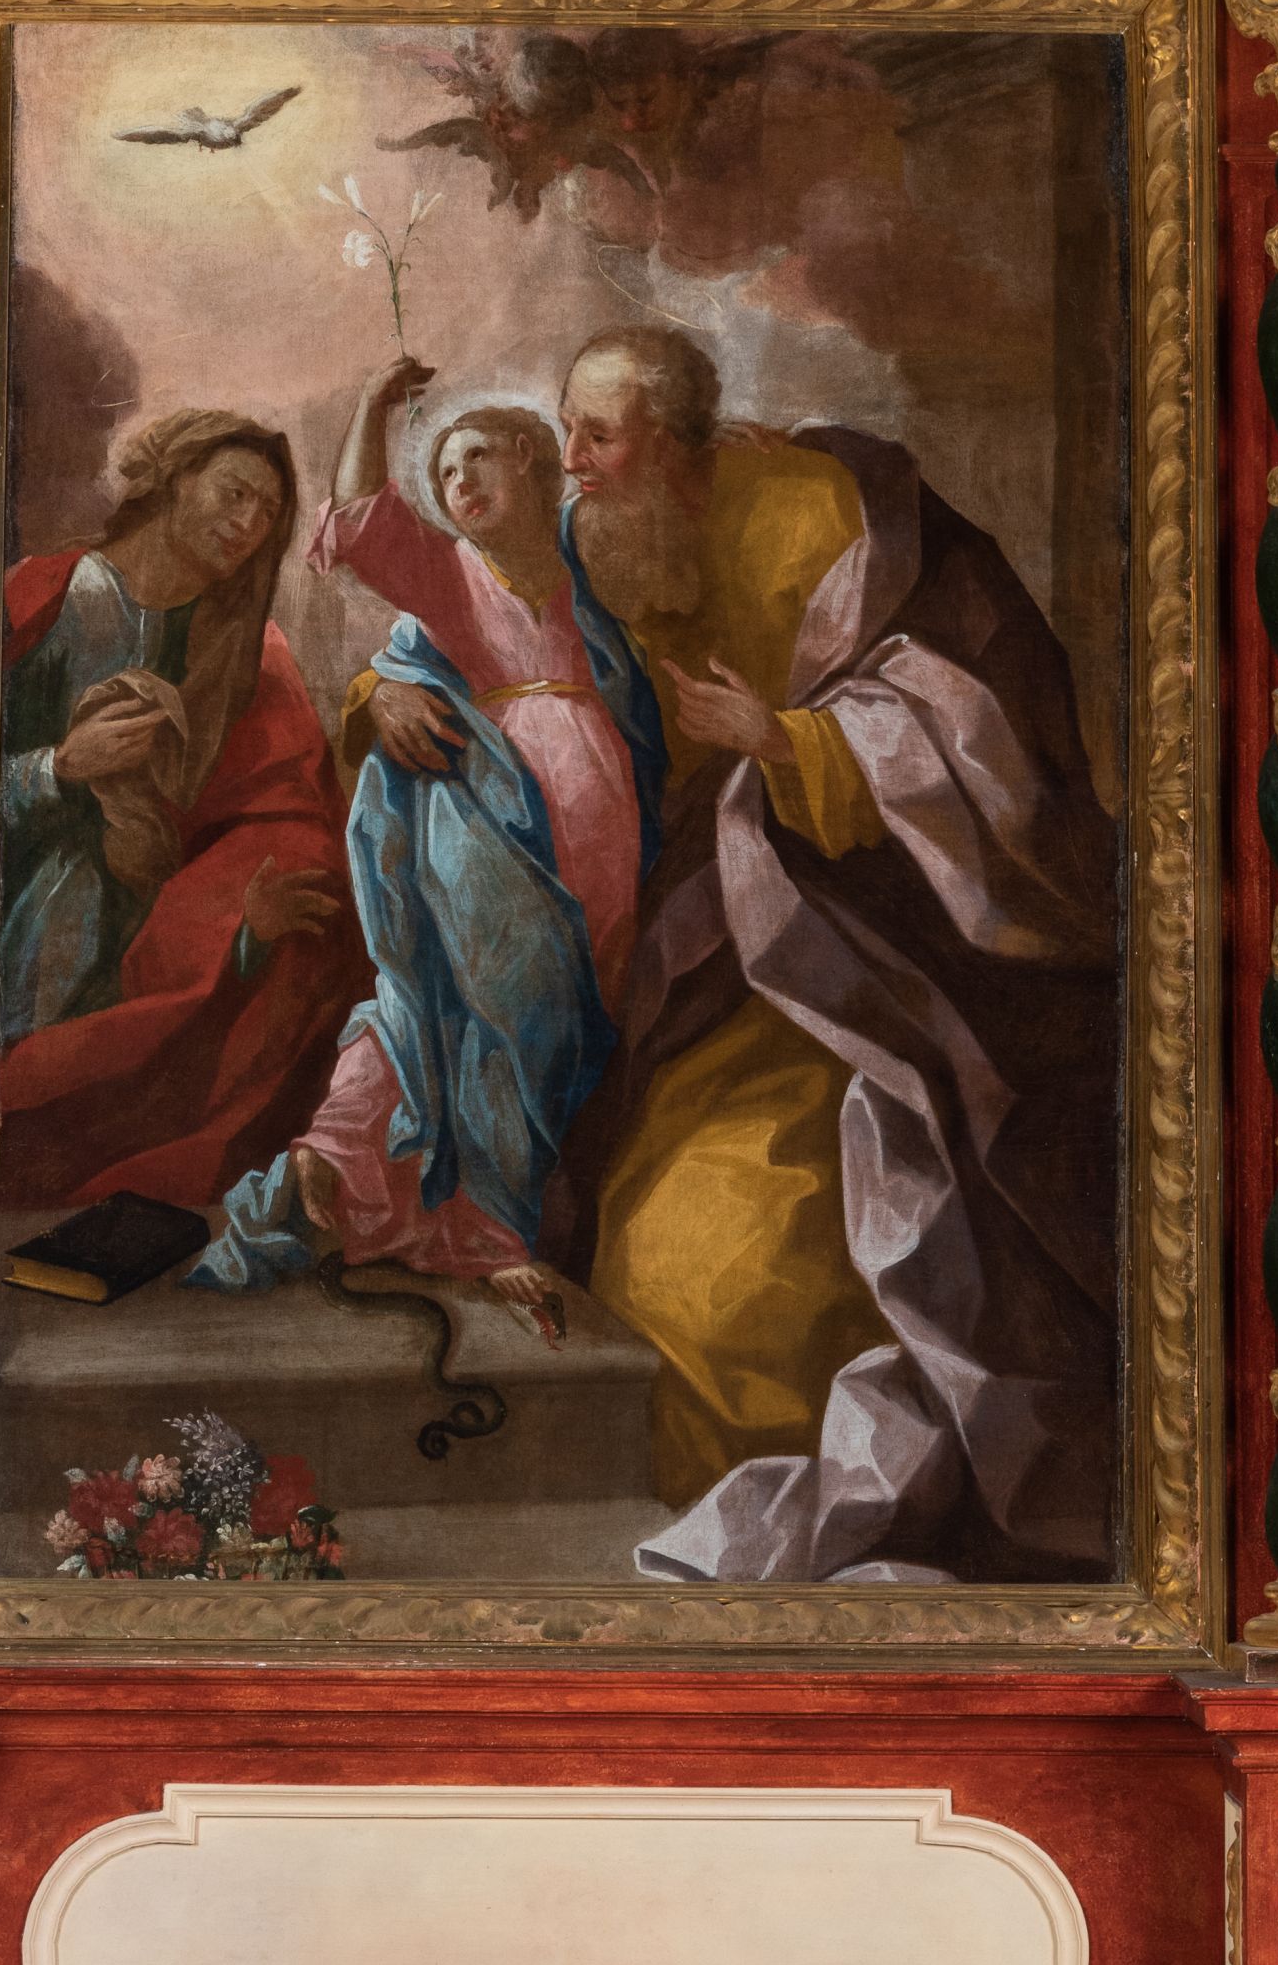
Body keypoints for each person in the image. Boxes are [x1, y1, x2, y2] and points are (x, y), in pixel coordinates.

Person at [360, 326, 1120, 1583]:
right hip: (711, 948)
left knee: (745, 1283)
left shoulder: (815, 511)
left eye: (601, 436)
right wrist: (373, 697)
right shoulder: (601, 537)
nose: (576, 460)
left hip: (885, 955)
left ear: (677, 442)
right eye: (570, 431)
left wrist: (791, 741)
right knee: (640, 1235)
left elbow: (968, 717)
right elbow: (460, 620)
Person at [193, 356, 662, 1338]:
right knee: (474, 1003)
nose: (458, 483)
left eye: (477, 457)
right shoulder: (451, 575)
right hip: (487, 829)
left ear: (532, 458)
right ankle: (474, 1226)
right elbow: (361, 518)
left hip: (603, 848)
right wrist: (373, 404)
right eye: (444, 472)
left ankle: (405, 1187)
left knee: (552, 1031)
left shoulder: (593, 562)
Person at [0, 412, 362, 1224]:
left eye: (268, 514)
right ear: (173, 480)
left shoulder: (245, 652)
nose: (248, 524)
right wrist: (59, 768)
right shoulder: (47, 596)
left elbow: (282, 817)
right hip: (9, 909)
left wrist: (242, 919)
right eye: (234, 494)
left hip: (158, 932)